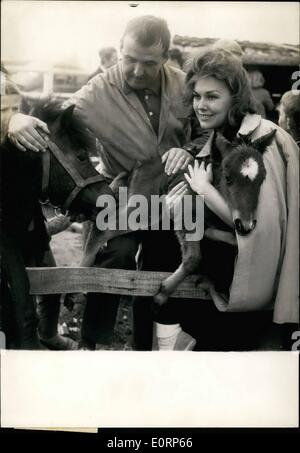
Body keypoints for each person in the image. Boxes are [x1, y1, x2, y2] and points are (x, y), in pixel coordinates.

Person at [7, 15, 196, 351]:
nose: (137, 71)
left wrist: (189, 150)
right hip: (124, 196)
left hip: (176, 196)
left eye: (149, 63)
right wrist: (13, 118)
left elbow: (207, 129)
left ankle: (145, 349)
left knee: (161, 266)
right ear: (120, 50)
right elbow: (47, 116)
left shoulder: (185, 85)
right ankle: (92, 344)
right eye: (130, 60)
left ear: (166, 56)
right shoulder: (94, 92)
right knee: (114, 255)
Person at [153, 49, 299, 350]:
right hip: (229, 281)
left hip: (259, 296)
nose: (201, 106)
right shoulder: (218, 137)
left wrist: (204, 190)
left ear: (235, 96)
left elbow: (255, 229)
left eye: (212, 97)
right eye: (196, 96)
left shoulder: (262, 141)